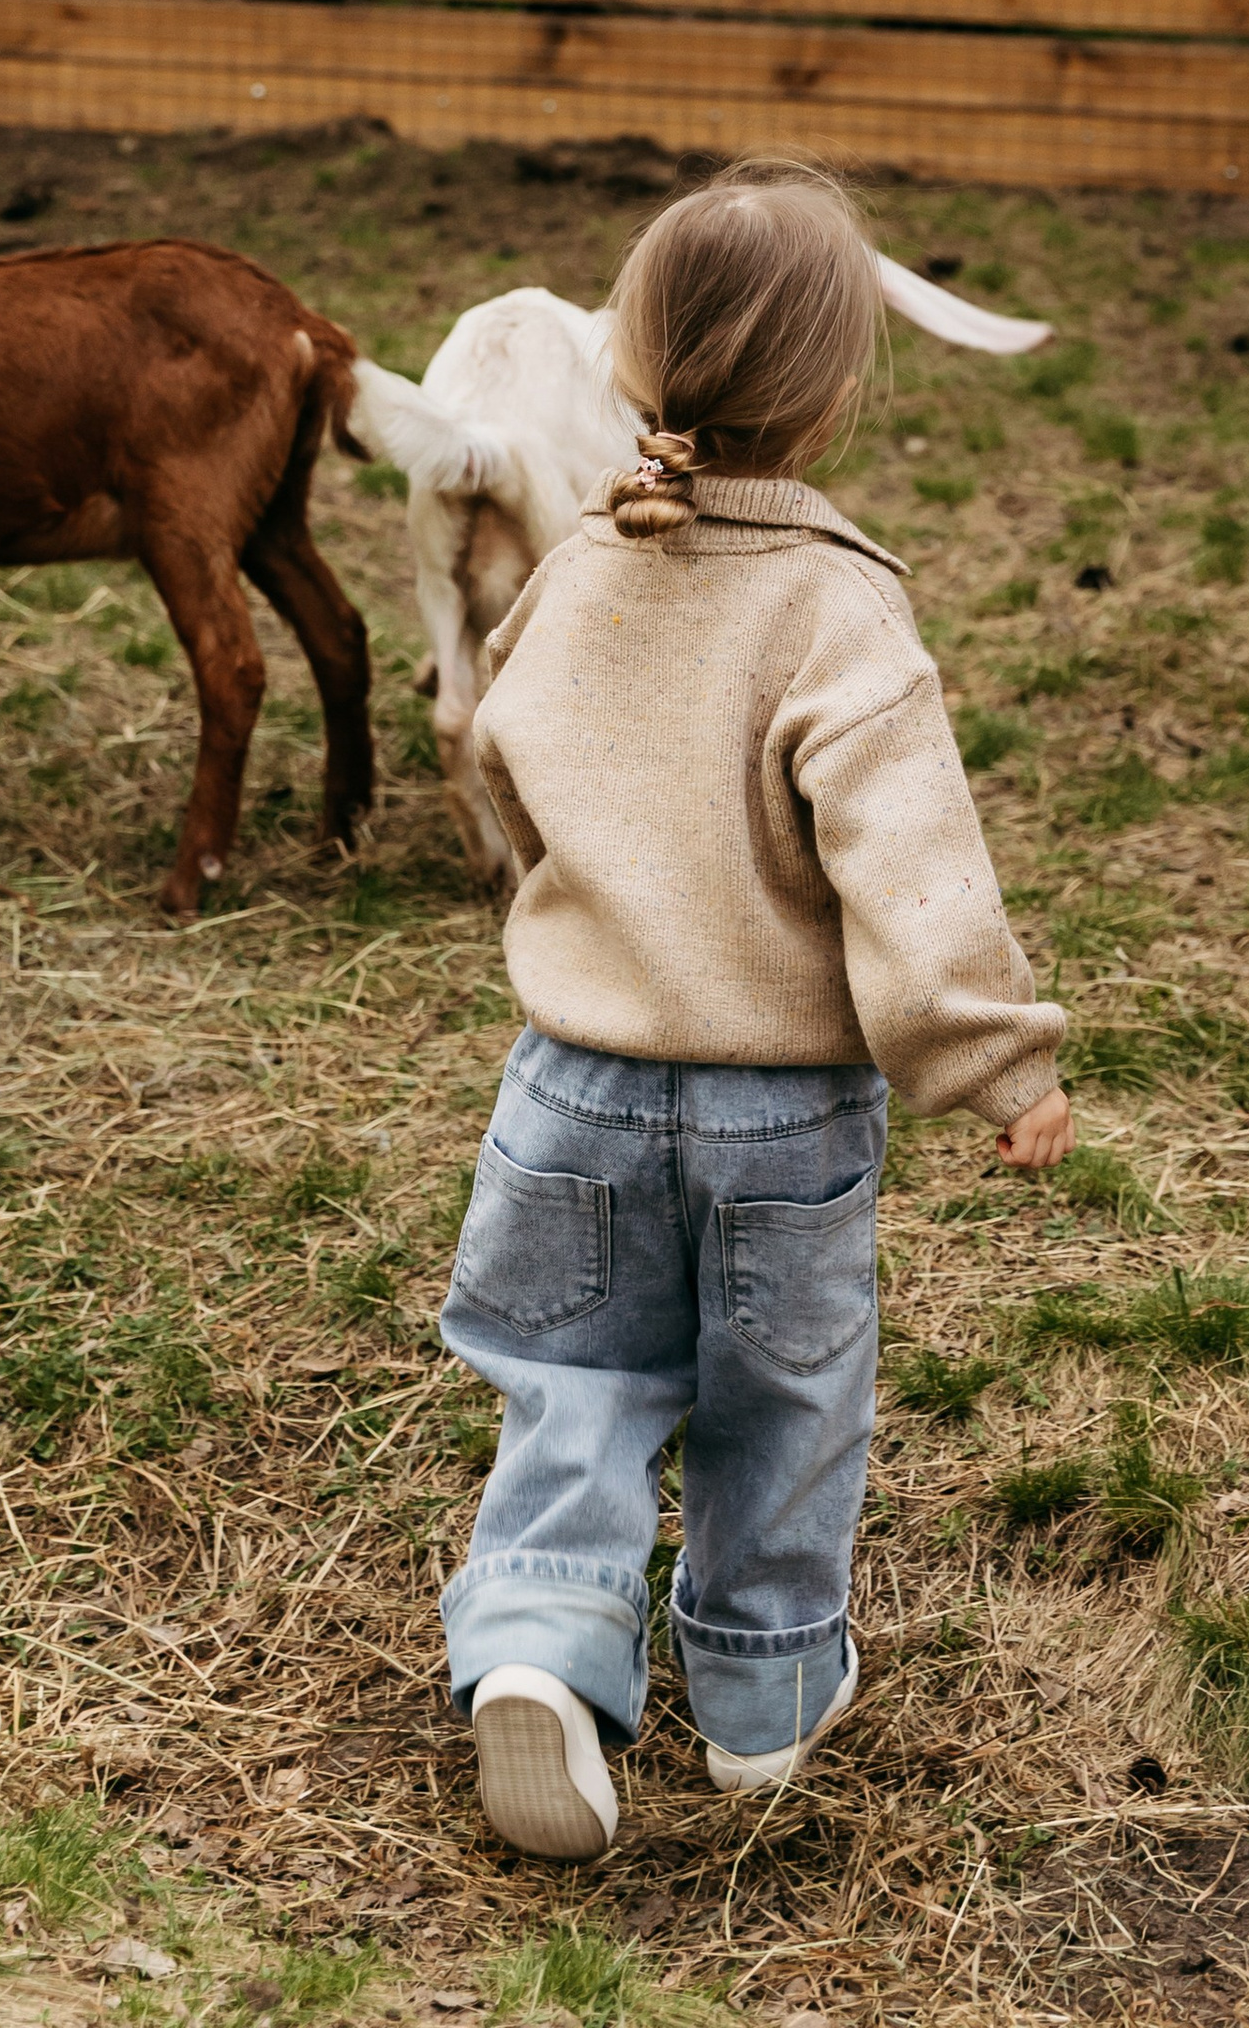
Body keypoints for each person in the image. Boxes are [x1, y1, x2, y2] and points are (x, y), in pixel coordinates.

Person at [436, 156, 1073, 1862]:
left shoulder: (581, 572)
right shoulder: (836, 605)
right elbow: (911, 863)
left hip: (573, 1078)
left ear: (632, 369)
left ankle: (539, 1649)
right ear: (844, 387)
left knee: (570, 1377)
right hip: (779, 1110)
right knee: (783, 1394)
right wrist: (992, 1056)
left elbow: (502, 748)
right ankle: (763, 1694)